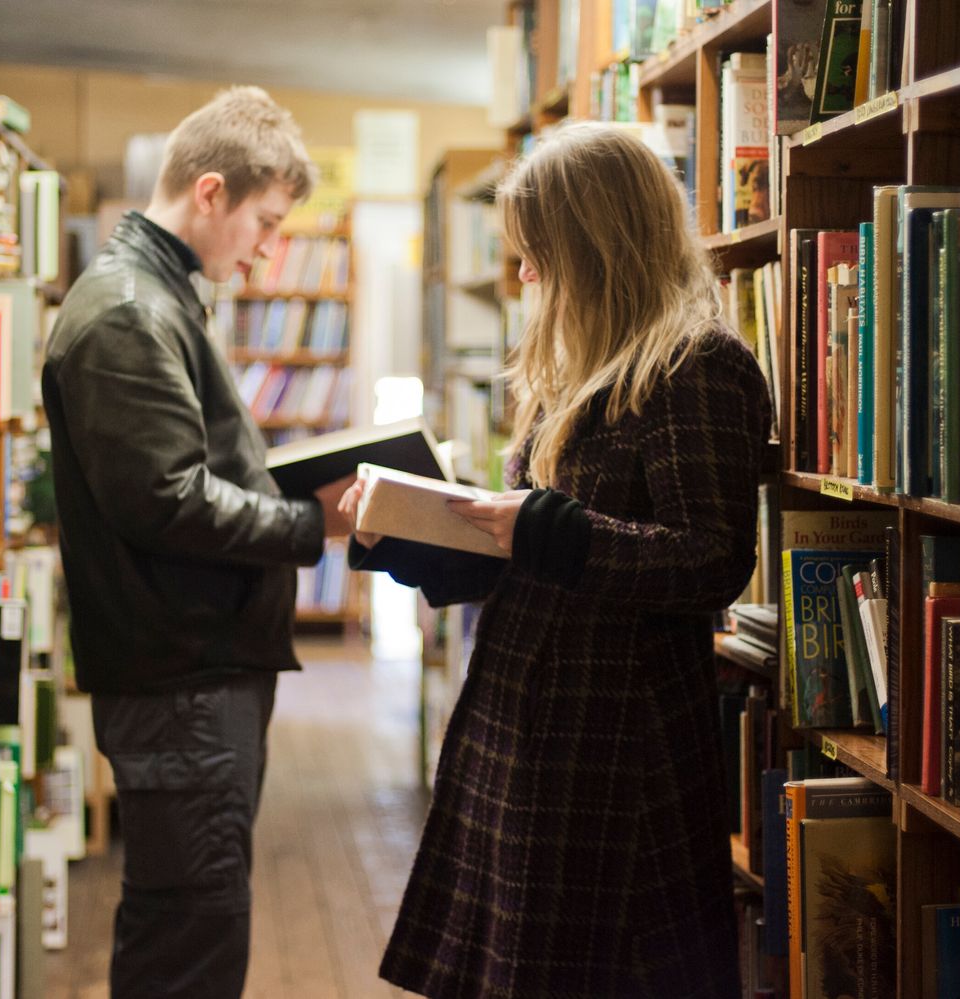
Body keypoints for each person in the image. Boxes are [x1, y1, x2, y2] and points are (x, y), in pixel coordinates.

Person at [340, 122, 771, 996]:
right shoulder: (575, 366)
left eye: (538, 255)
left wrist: (540, 528)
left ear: (597, 246)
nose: (525, 276)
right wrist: (415, 535)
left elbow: (710, 559)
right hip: (529, 720)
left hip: (616, 740)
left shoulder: (697, 365)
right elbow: (525, 551)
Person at [40, 86, 352, 998]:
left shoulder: (156, 294)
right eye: (264, 221)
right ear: (209, 192)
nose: (268, 249)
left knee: (190, 928)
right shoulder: (130, 312)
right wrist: (310, 522)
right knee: (190, 947)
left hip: (191, 675)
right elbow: (167, 502)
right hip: (182, 681)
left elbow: (178, 472)